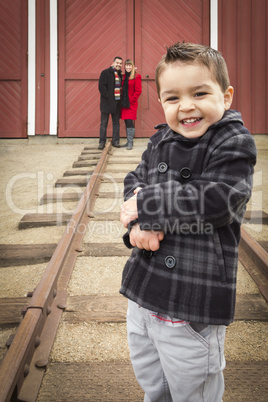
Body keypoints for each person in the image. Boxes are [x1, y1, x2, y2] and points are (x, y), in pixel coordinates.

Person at [120, 42, 257, 401]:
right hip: (145, 293)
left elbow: (217, 199)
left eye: (199, 93)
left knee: (191, 389)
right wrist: (136, 225)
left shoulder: (233, 142)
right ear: (162, 102)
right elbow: (135, 180)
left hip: (191, 301)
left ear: (225, 96)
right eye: (172, 98)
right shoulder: (160, 139)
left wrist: (145, 207)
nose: (186, 106)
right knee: (153, 382)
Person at [98, 56, 123, 149]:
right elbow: (101, 87)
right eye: (117, 63)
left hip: (116, 103)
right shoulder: (105, 72)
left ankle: (116, 141)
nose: (119, 65)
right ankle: (102, 142)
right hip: (107, 103)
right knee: (104, 123)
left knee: (116, 123)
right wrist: (108, 96)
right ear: (113, 63)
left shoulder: (120, 74)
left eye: (120, 63)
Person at [120, 59, 142, 150]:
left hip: (131, 103)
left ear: (132, 67)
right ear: (124, 66)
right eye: (126, 65)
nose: (128, 67)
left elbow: (138, 90)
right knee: (126, 121)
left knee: (129, 121)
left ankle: (130, 142)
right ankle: (128, 141)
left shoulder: (136, 76)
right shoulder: (124, 76)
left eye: (130, 65)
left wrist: (132, 100)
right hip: (124, 103)